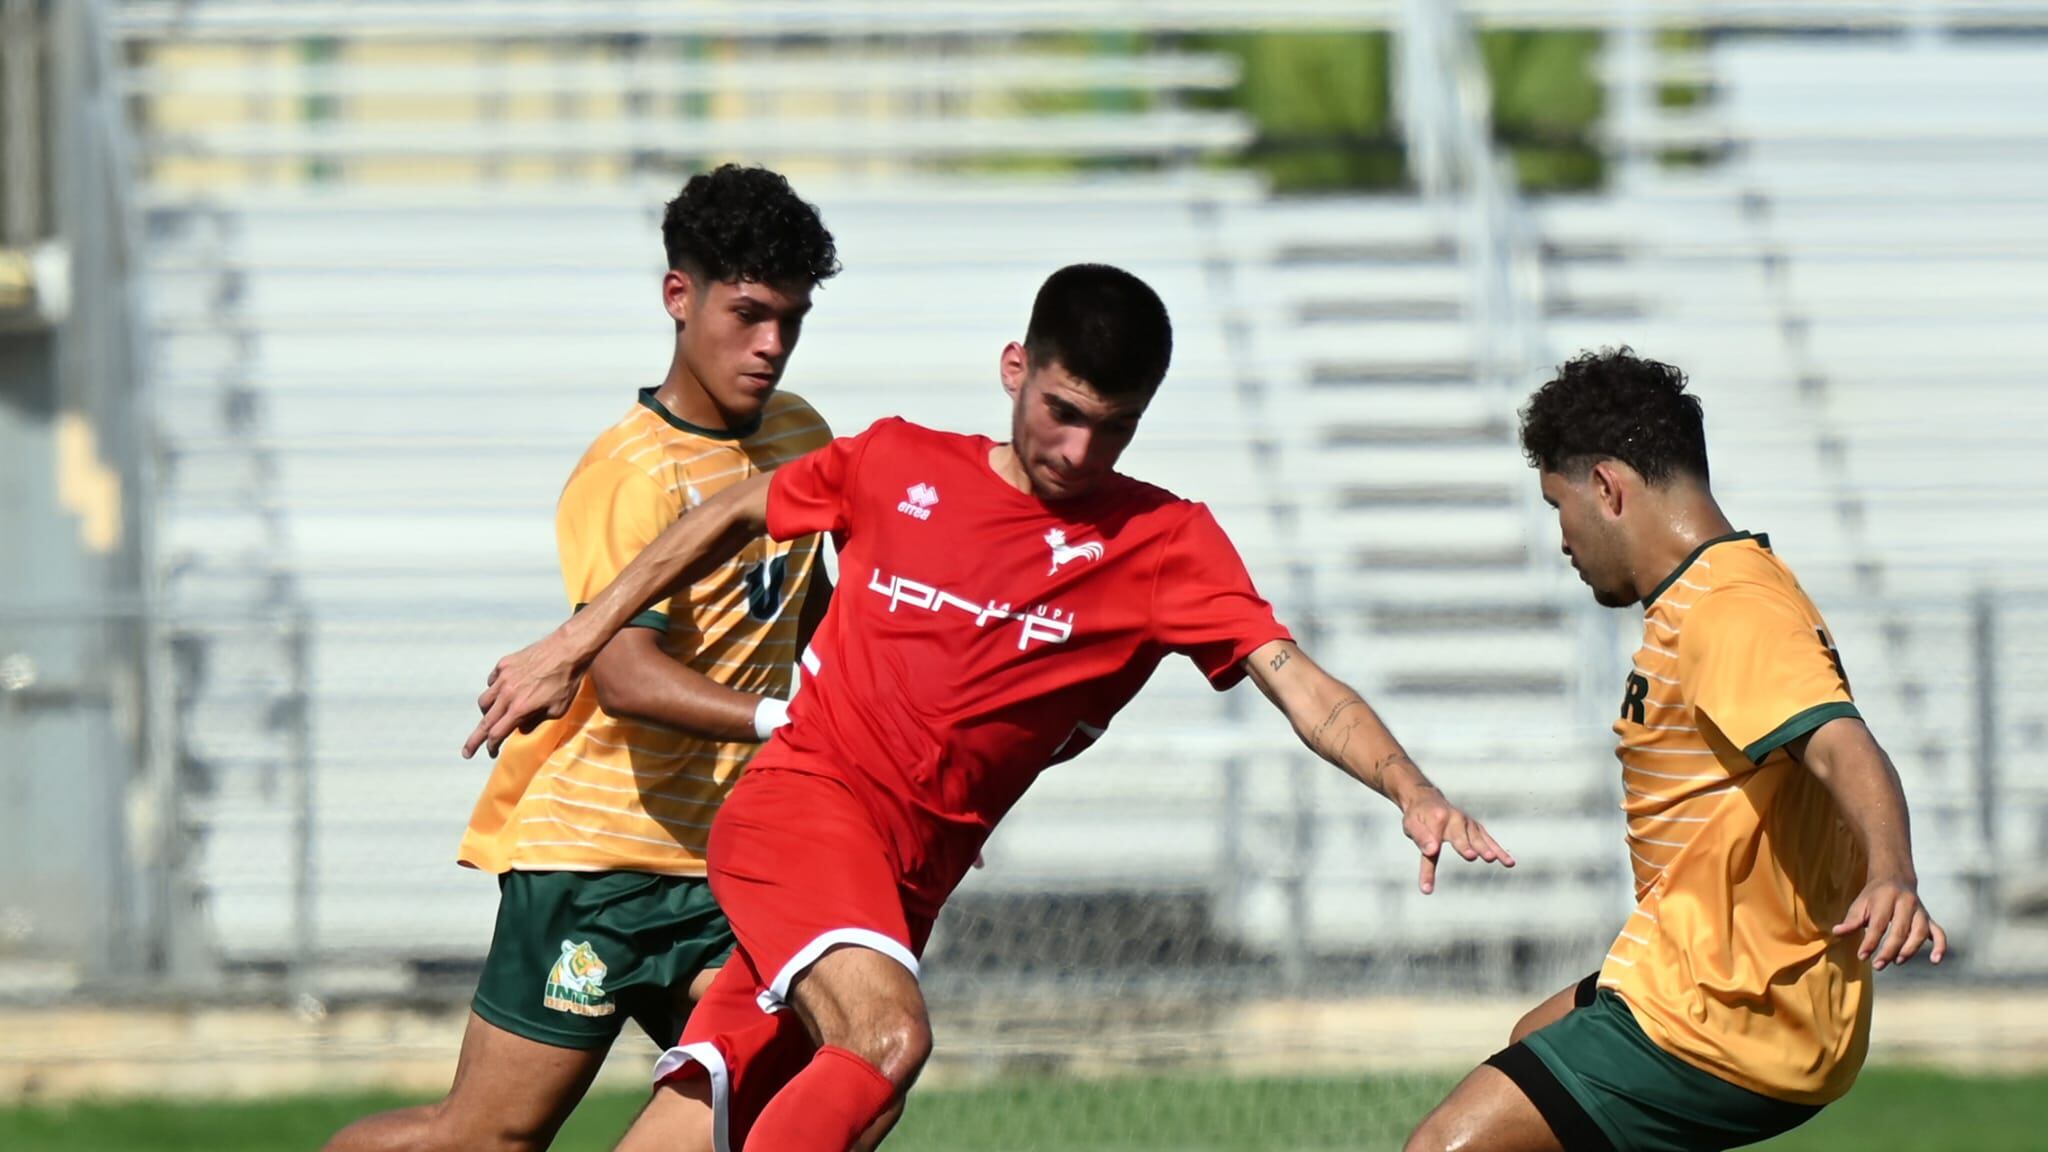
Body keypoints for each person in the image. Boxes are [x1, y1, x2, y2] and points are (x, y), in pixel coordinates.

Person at [465, 263, 1515, 1152]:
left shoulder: (1165, 546)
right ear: (1015, 368)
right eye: (1062, 412)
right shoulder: (898, 462)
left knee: (723, 1120)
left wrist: (1409, 787)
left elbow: (1298, 682)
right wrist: (575, 640)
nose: (1078, 453)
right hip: (798, 812)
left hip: (899, 889)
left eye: (1113, 428)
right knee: (885, 1041)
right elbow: (737, 509)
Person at [322, 164, 841, 1152]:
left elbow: (808, 610)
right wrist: (791, 723)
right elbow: (628, 677)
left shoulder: (800, 435)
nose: (771, 344)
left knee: (785, 1104)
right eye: (748, 314)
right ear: (678, 297)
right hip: (596, 865)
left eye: (791, 319)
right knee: (485, 1138)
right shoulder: (630, 474)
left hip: (722, 867)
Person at [1404, 349, 1947, 1152]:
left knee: (1444, 1148)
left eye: (1558, 506)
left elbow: (1842, 744)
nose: (1562, 539)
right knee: (1532, 1042)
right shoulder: (1713, 593)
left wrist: (1893, 873)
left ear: (1607, 488)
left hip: (1736, 1013)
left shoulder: (1730, 607)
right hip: (1697, 976)